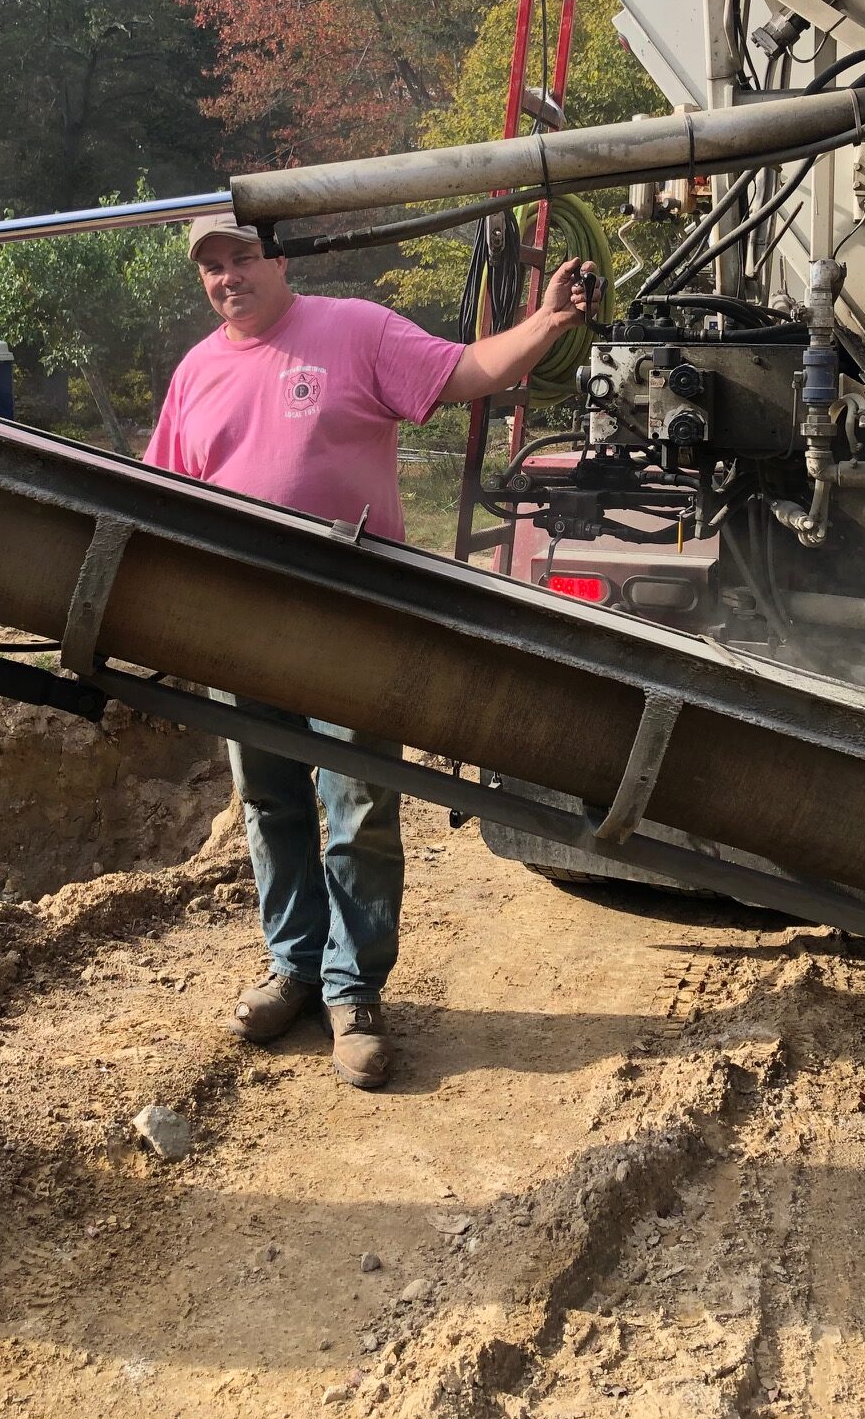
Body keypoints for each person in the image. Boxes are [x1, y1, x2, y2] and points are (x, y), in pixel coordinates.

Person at [143, 207, 595, 1091]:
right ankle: (294, 971)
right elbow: (163, 492)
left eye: (241, 259)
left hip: (354, 617)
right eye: (211, 269)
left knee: (357, 805)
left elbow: (465, 372)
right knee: (270, 804)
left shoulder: (350, 330)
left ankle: (354, 996)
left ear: (280, 259)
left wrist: (546, 323)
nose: (227, 278)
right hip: (245, 626)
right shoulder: (195, 372)